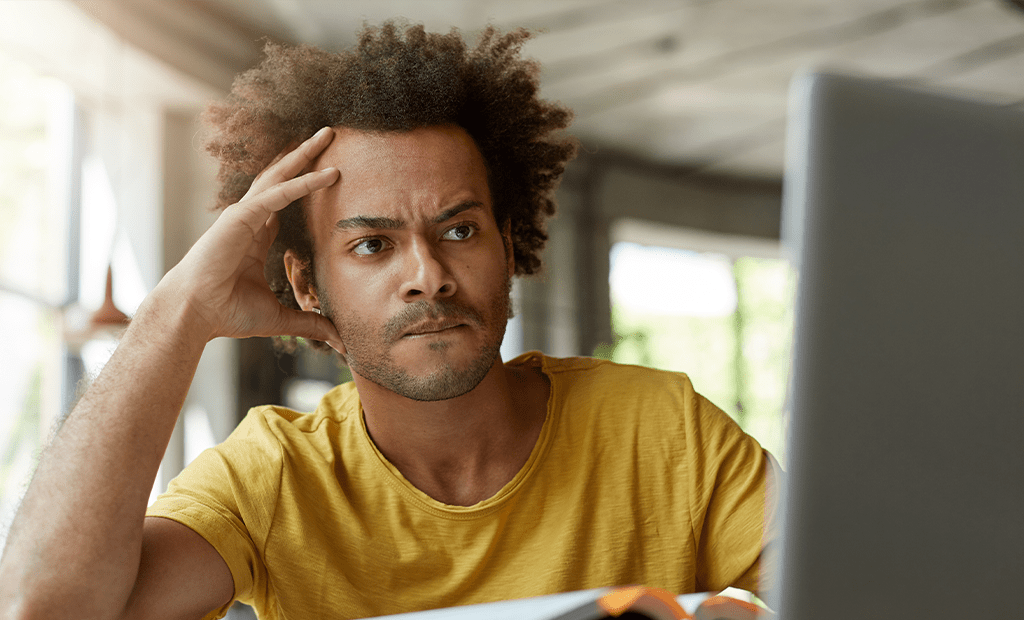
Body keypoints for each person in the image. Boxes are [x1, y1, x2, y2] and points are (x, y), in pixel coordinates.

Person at [0, 22, 780, 620]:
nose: (428, 276)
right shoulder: (277, 476)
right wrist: (177, 311)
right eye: (373, 244)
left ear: (508, 245)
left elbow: (867, 585)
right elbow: (45, 608)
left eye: (460, 229)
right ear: (305, 282)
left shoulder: (661, 428)